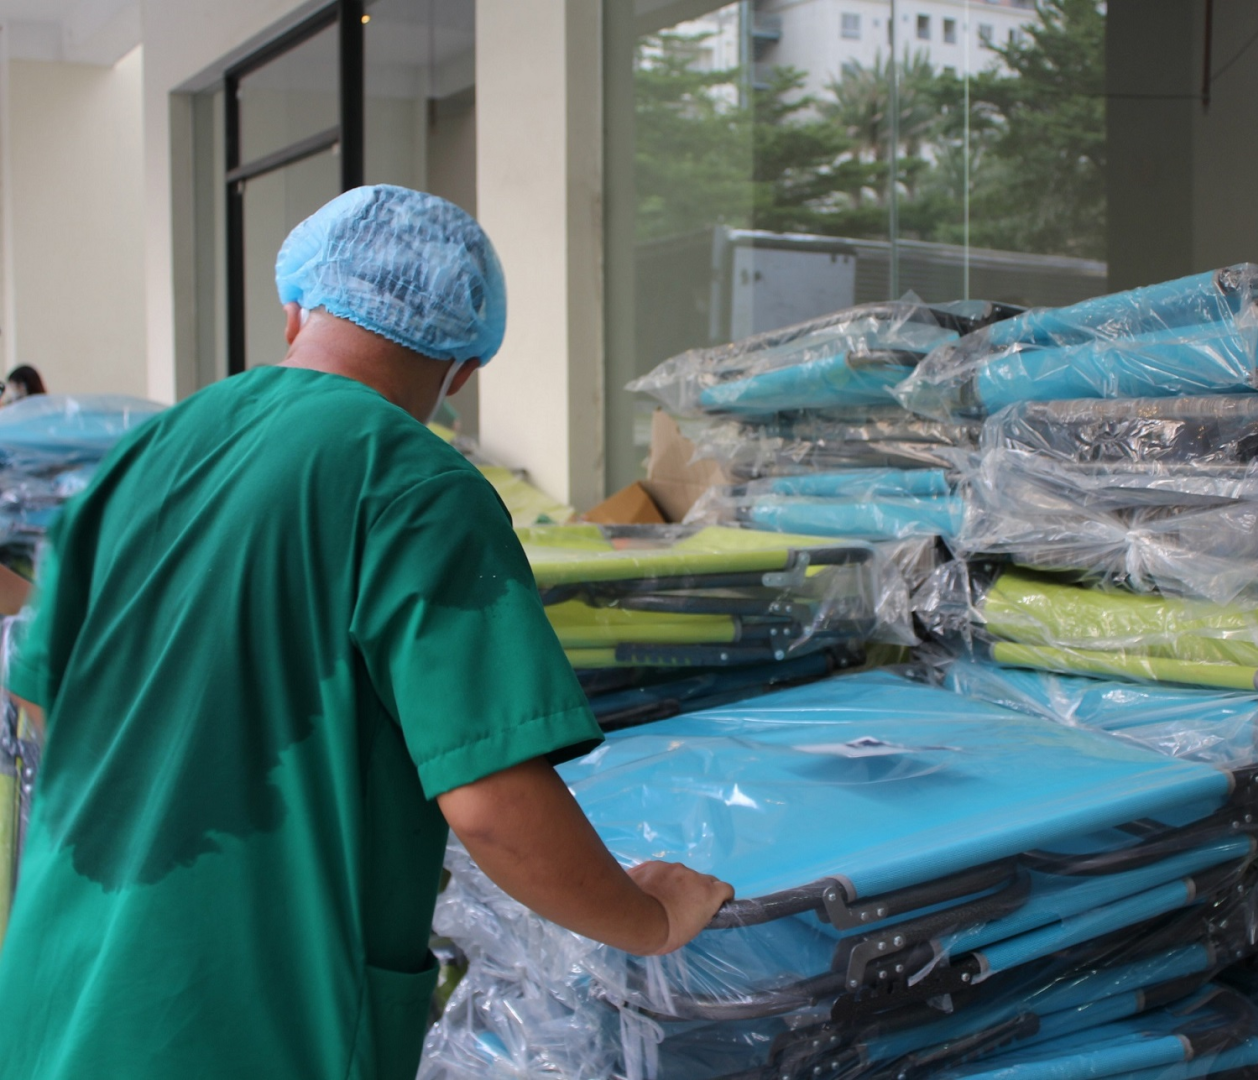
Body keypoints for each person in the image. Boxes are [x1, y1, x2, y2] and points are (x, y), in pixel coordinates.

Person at [0, 185, 733, 1080]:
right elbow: (492, 807)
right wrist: (646, 917)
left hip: (60, 990)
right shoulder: (417, 487)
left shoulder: (143, 455)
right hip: (240, 1026)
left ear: (295, 310)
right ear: (462, 369)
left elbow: (42, 702)